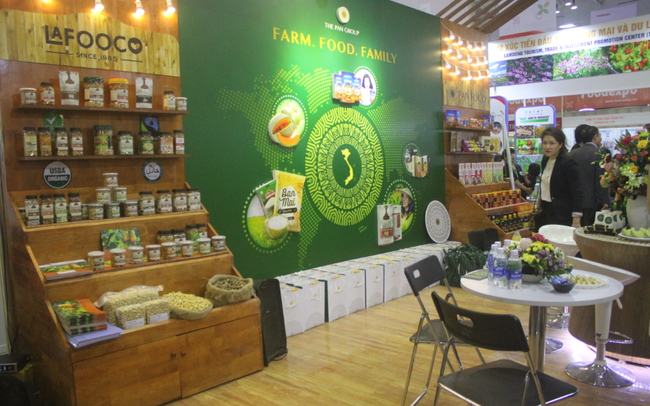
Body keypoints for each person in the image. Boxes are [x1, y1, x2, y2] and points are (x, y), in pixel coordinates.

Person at [537, 127, 582, 227]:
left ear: (560, 145)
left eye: (552, 143)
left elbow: (577, 192)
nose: (547, 147)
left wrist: (576, 218)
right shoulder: (545, 161)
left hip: (562, 213)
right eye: (544, 143)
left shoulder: (568, 163)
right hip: (545, 211)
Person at [569, 126, 611, 226]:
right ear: (595, 137)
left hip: (575, 202)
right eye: (599, 135)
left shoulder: (572, 154)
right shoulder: (600, 152)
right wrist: (605, 200)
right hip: (593, 202)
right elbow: (601, 179)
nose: (601, 138)